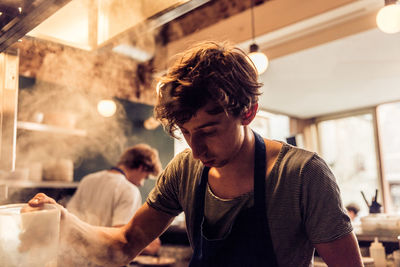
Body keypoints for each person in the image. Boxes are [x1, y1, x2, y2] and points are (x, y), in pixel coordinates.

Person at [28, 41, 363, 266]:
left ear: (248, 112)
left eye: (208, 131)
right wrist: (66, 223)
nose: (196, 149)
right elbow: (126, 242)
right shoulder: (184, 170)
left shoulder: (303, 175)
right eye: (186, 133)